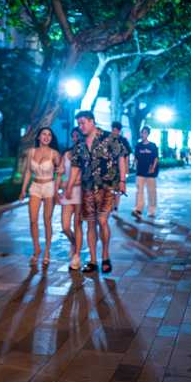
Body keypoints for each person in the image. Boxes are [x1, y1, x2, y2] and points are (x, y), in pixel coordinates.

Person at [64, 111, 128, 274]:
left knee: (102, 220)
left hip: (107, 186)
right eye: (79, 124)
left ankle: (105, 255)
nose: (81, 126)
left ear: (92, 121)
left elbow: (121, 157)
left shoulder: (109, 138)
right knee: (90, 223)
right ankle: (93, 260)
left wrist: (122, 181)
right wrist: (69, 187)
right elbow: (76, 167)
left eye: (83, 122)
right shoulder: (79, 144)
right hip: (87, 188)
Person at [19, 127, 63, 267]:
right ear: (39, 137)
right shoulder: (31, 152)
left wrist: (57, 189)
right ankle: (37, 249)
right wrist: (23, 190)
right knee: (32, 220)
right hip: (35, 186)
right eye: (44, 134)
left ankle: (47, 252)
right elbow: (27, 172)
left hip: (49, 186)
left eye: (49, 135)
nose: (46, 136)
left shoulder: (54, 154)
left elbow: (60, 172)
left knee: (47, 221)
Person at [58, 127, 83, 270]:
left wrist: (71, 184)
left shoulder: (86, 153)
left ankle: (77, 256)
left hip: (80, 193)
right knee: (65, 226)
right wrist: (59, 186)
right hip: (67, 193)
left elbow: (86, 176)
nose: (75, 138)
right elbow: (60, 173)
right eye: (73, 136)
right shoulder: (66, 154)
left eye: (77, 135)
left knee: (77, 224)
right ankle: (74, 242)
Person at [132, 126, 159, 219]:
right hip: (140, 172)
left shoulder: (153, 146)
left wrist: (153, 168)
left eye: (145, 133)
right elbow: (136, 158)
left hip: (151, 172)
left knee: (151, 192)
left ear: (148, 134)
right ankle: (138, 209)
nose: (143, 134)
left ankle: (152, 210)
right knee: (139, 191)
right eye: (142, 133)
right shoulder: (138, 145)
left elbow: (156, 158)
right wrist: (133, 165)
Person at [110, 122, 132, 213]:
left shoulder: (123, 141)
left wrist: (126, 168)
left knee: (118, 188)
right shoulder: (108, 140)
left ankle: (116, 205)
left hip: (120, 168)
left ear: (119, 131)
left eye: (116, 130)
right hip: (110, 167)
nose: (114, 132)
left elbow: (127, 155)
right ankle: (111, 204)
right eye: (113, 130)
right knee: (110, 187)